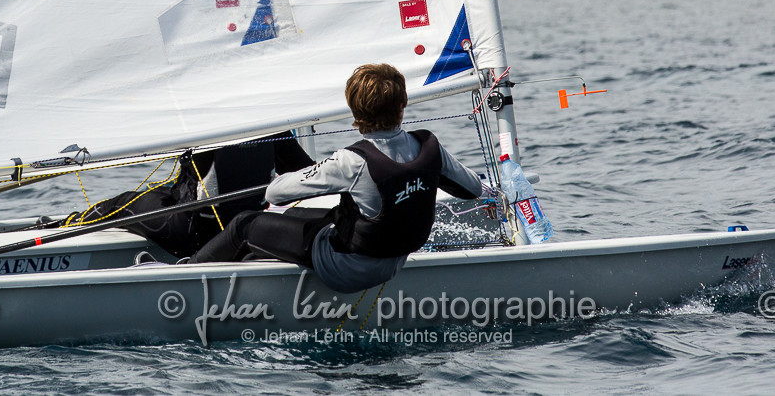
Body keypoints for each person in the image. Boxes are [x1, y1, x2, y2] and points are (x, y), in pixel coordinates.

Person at [184, 63, 487, 293]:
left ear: (355, 110)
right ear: (401, 105)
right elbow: (473, 188)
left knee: (246, 225)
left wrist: (302, 173)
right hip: (393, 263)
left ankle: (184, 275)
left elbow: (275, 193)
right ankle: (250, 262)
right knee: (301, 215)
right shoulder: (429, 147)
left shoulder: (351, 160)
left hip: (346, 270)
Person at [74, 132, 314, 258]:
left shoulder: (202, 122)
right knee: (161, 193)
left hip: (191, 231)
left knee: (122, 203)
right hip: (247, 230)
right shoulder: (272, 125)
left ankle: (69, 224)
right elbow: (306, 173)